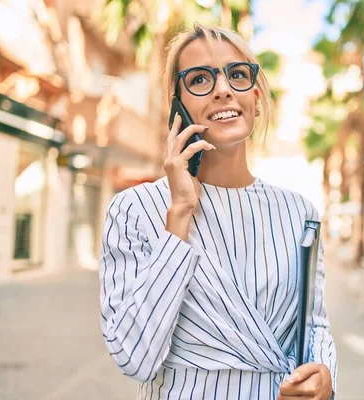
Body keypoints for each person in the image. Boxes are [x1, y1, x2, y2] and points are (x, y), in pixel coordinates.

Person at [99, 22, 337, 400]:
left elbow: (314, 325)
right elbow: (133, 356)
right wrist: (179, 213)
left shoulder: (298, 213)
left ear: (256, 101)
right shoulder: (133, 209)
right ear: (177, 106)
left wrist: (324, 374)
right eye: (199, 79)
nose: (223, 89)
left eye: (237, 75)